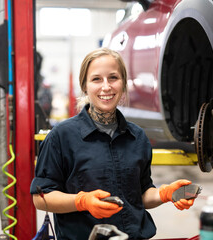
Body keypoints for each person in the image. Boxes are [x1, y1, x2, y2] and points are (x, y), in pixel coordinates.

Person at [30, 48, 197, 239]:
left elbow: (139, 195)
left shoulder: (138, 137)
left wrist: (164, 193)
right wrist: (82, 201)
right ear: (85, 86)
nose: (106, 86)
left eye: (113, 78)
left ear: (123, 84)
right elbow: (41, 198)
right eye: (96, 79)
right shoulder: (61, 136)